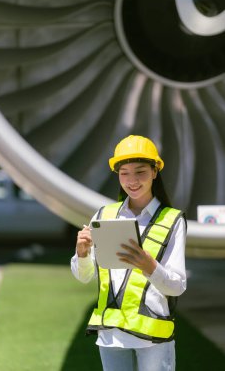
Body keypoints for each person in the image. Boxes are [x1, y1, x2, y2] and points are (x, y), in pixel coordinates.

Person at [71, 135, 187, 371]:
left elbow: (177, 286)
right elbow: (84, 276)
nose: (132, 180)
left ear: (155, 172)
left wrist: (148, 266)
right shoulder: (104, 215)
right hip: (110, 334)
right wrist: (82, 254)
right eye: (124, 172)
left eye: (140, 172)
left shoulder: (173, 220)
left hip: (153, 336)